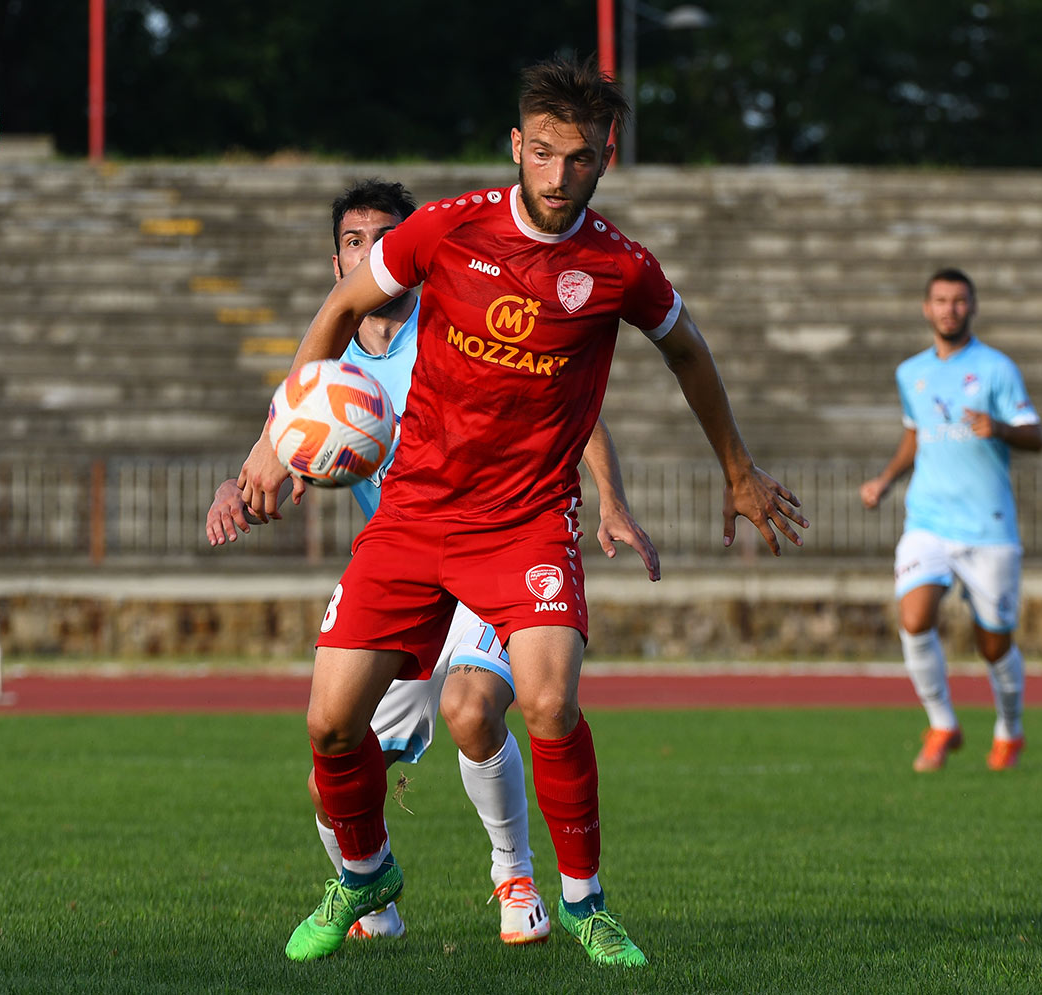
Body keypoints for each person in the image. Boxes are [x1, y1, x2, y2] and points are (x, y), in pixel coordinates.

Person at [239, 56, 807, 967]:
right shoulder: (447, 229)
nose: (554, 174)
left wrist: (737, 470)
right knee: (329, 726)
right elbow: (344, 303)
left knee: (544, 700)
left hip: (528, 520)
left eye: (576, 158)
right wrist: (275, 436)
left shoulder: (618, 266)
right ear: (516, 145)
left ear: (606, 157)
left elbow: (689, 352)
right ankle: (364, 873)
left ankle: (581, 899)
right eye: (540, 152)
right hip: (416, 515)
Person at [206, 178, 660, 946]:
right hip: (406, 564)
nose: (370, 251)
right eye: (356, 240)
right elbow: (286, 441)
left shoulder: (453, 321)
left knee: (473, 708)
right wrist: (244, 481)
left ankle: (515, 877)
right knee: (331, 760)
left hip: (495, 548)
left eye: (386, 237)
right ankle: (371, 895)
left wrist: (610, 499)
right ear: (338, 257)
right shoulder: (325, 370)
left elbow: (575, 415)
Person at [860, 268, 1042, 773]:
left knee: (994, 645)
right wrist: (885, 480)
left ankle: (1010, 730)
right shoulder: (910, 373)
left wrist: (1000, 428)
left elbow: (1036, 435)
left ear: (973, 307)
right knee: (915, 618)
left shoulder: (997, 369)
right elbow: (916, 435)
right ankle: (943, 723)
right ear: (926, 308)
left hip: (988, 526)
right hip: (927, 520)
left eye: (959, 301)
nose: (949, 309)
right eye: (941, 301)